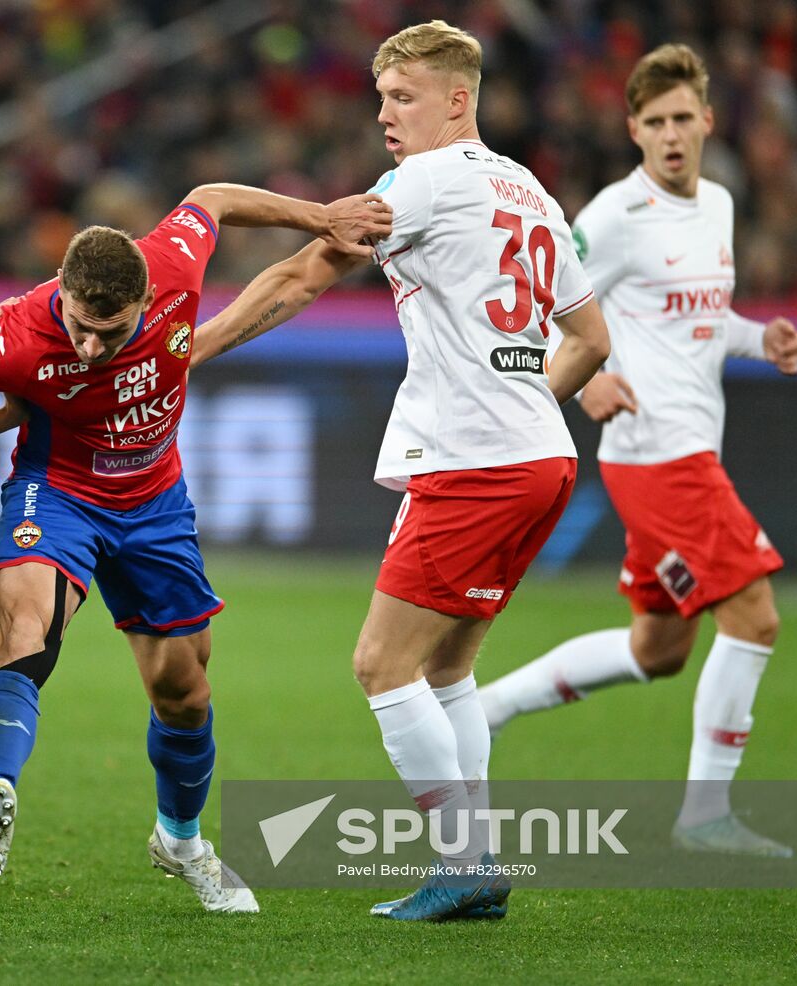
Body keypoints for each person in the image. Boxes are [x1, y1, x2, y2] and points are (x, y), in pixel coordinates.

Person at [0, 184, 392, 913]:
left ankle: (180, 839)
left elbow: (213, 198)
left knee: (183, 689)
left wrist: (324, 216)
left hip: (154, 501)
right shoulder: (15, 333)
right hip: (59, 492)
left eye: (110, 331)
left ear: (146, 296)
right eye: (79, 327)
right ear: (63, 296)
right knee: (26, 622)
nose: (90, 346)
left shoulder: (173, 260)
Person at [168, 21, 613, 922]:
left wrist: (189, 349)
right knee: (447, 670)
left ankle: (463, 865)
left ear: (458, 100)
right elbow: (591, 340)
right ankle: (475, 866)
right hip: (542, 460)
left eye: (402, 97)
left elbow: (304, 272)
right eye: (379, 99)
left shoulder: (423, 182)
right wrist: (523, 408)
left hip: (477, 464)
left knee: (381, 666)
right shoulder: (528, 189)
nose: (383, 116)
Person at [477, 44, 797, 857]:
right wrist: (586, 380)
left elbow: (697, 322)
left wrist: (759, 338)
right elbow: (548, 303)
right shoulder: (613, 218)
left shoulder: (720, 207)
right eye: (653, 122)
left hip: (688, 450)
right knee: (755, 618)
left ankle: (490, 706)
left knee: (659, 648)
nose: (669, 135)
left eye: (682, 119)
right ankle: (705, 815)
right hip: (657, 454)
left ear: (706, 121)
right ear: (632, 129)